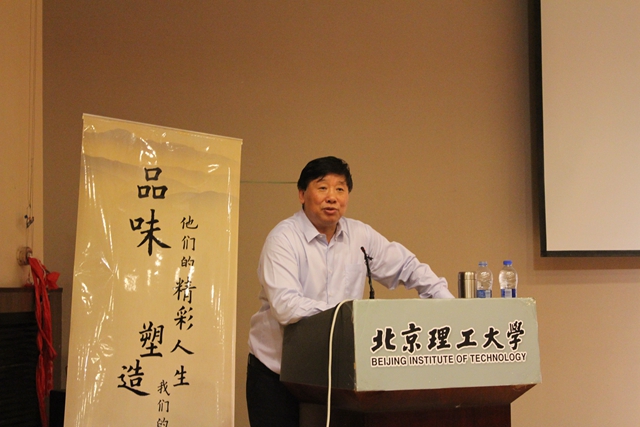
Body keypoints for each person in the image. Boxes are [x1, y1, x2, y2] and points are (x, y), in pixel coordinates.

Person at [246, 156, 454, 427]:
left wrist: (447, 302)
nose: (332, 197)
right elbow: (286, 306)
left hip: (332, 375)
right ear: (302, 194)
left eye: (340, 189)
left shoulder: (360, 236)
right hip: (276, 372)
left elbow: (406, 266)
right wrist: (348, 316)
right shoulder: (283, 239)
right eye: (322, 188)